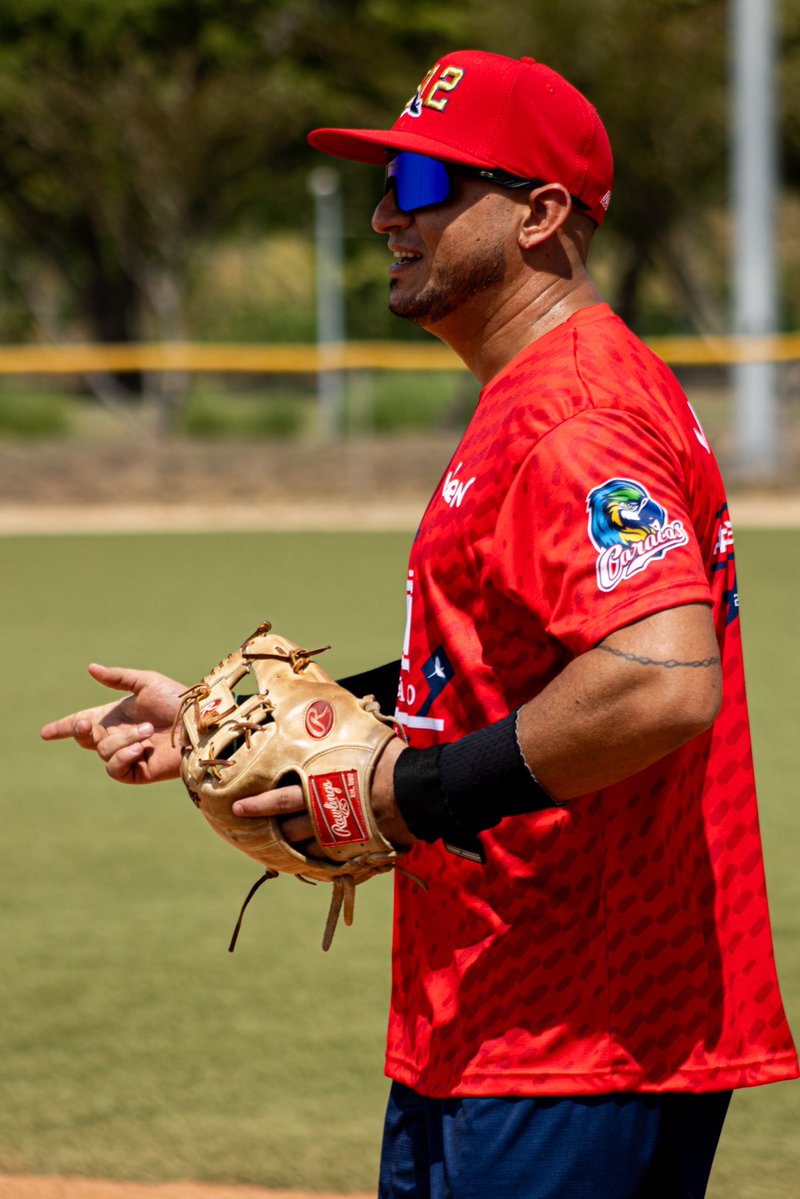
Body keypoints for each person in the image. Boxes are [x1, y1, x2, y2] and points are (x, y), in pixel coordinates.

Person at [42, 50, 798, 1199]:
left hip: (575, 1034)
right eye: (387, 179)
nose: (390, 212)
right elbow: (506, 662)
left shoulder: (574, 411)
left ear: (542, 214)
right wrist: (214, 723)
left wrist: (411, 793)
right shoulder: (544, 392)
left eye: (428, 180)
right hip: (511, 1017)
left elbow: (659, 677)